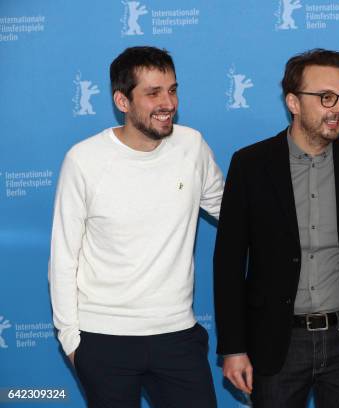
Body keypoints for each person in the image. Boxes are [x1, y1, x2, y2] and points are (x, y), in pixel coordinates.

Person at [213, 48, 339, 407]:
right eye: (326, 97)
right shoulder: (250, 165)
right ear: (293, 103)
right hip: (278, 343)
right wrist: (233, 348)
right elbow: (229, 264)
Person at [48, 46, 222, 407]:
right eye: (153, 93)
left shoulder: (191, 145)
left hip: (177, 336)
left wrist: (323, 164)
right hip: (103, 339)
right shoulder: (83, 160)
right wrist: (73, 343)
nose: (168, 103)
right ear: (122, 101)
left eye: (172, 90)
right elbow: (64, 258)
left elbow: (236, 211)